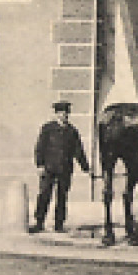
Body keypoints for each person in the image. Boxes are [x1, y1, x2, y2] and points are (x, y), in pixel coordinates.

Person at [32, 100, 89, 234]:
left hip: (65, 168)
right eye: (61, 113)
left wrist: (85, 167)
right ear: (56, 114)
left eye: (66, 113)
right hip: (49, 167)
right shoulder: (48, 129)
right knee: (44, 194)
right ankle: (39, 222)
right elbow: (39, 147)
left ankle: (59, 224)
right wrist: (40, 165)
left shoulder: (72, 131)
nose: (64, 116)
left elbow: (78, 150)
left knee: (62, 196)